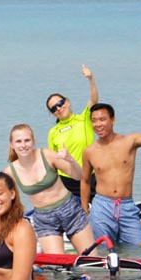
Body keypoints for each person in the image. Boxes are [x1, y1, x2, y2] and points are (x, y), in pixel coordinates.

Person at [81, 101, 141, 247]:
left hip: (127, 205)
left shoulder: (129, 141)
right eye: (94, 121)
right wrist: (85, 209)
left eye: (102, 119)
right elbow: (85, 181)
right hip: (102, 206)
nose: (98, 124)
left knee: (139, 247)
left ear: (112, 120)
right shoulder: (90, 151)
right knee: (104, 249)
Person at [5, 124, 95, 255]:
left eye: (27, 140)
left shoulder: (47, 155)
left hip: (70, 210)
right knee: (57, 267)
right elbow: (8, 201)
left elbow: (79, 176)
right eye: (18, 141)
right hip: (44, 218)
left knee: (91, 261)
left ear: (33, 141)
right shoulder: (10, 172)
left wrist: (71, 160)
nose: (23, 145)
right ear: (12, 145)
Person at [45, 65, 99, 196]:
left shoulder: (84, 118)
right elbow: (53, 162)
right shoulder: (53, 132)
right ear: (52, 114)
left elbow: (94, 99)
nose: (58, 108)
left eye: (60, 103)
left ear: (67, 102)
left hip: (90, 176)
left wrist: (91, 78)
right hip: (67, 181)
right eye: (53, 109)